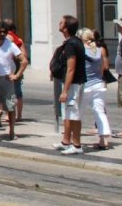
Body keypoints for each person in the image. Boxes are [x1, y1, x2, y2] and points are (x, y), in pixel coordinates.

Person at [53, 15, 86, 155]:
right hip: (74, 82)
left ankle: (77, 145)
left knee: (74, 114)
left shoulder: (71, 44)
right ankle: (66, 142)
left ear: (66, 28)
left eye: (61, 22)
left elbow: (71, 68)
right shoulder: (74, 41)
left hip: (73, 84)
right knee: (69, 113)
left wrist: (65, 91)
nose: (59, 24)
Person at [0, 21, 29, 140]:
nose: (0, 34)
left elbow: (24, 60)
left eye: (3, 32)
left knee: (10, 105)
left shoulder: (10, 45)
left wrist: (17, 75)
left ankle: (12, 131)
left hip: (6, 78)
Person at [79, 28, 112, 150]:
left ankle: (74, 139)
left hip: (85, 85)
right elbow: (103, 67)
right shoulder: (98, 50)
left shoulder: (81, 51)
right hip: (98, 84)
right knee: (100, 111)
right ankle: (104, 140)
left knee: (78, 113)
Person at [3, 18, 26, 121]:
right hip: (18, 67)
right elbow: (24, 55)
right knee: (18, 92)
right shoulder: (19, 39)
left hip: (9, 68)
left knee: (8, 93)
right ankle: (19, 115)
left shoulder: (6, 38)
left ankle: (9, 115)